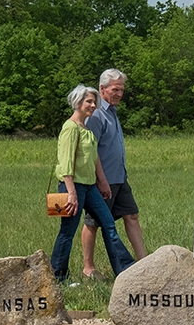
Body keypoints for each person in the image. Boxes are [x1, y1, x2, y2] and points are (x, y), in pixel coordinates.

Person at [50, 84, 135, 283]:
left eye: (94, 102)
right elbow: (66, 162)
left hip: (90, 187)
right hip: (73, 187)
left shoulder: (86, 128)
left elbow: (95, 157)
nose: (93, 105)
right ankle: (57, 276)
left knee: (109, 224)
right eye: (89, 101)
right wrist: (71, 193)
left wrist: (103, 182)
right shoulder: (70, 128)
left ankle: (126, 270)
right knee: (67, 232)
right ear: (77, 102)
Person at [81, 69, 147, 276]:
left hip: (119, 177)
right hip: (102, 180)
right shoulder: (96, 114)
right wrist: (101, 180)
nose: (119, 93)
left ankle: (145, 263)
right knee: (94, 222)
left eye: (122, 90)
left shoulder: (113, 112)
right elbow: (91, 150)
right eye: (115, 89)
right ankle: (88, 268)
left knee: (132, 215)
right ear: (102, 89)